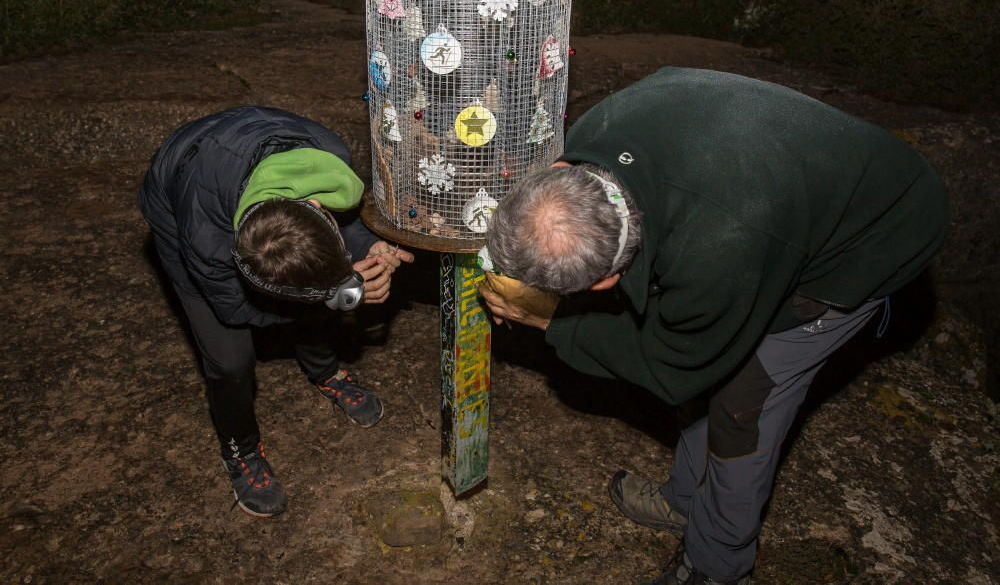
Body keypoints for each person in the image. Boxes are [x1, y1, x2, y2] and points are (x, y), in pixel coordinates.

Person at [479, 68, 948, 584]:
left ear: (603, 285)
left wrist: (548, 318)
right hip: (767, 181)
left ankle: (718, 566)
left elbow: (679, 364)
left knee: (743, 404)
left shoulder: (718, 251)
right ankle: (685, 501)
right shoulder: (594, 134)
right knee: (711, 361)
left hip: (874, 233)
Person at [139, 106, 414, 518]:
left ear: (315, 204)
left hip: (245, 148)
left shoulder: (327, 158)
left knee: (317, 279)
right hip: (178, 188)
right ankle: (240, 449)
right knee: (230, 360)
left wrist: (368, 247)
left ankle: (325, 371)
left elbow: (346, 222)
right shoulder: (206, 241)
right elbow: (232, 308)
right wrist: (329, 296)